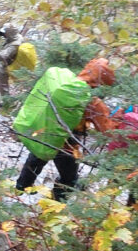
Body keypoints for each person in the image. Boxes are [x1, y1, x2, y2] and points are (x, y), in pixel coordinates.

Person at [15, 58, 115, 200]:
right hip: (67, 143)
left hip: (46, 130)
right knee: (69, 179)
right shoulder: (92, 101)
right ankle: (57, 205)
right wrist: (117, 118)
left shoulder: (65, 81)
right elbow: (107, 131)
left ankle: (20, 190)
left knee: (38, 156)